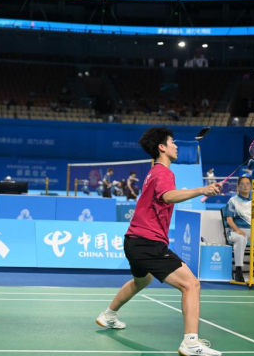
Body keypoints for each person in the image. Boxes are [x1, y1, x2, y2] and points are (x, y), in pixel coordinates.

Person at [95, 127, 222, 356]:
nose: (176, 146)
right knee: (191, 285)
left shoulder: (153, 172)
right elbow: (168, 196)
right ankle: (190, 343)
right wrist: (202, 189)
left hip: (133, 240)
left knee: (142, 280)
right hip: (147, 242)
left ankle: (108, 315)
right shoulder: (164, 172)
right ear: (162, 147)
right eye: (172, 142)